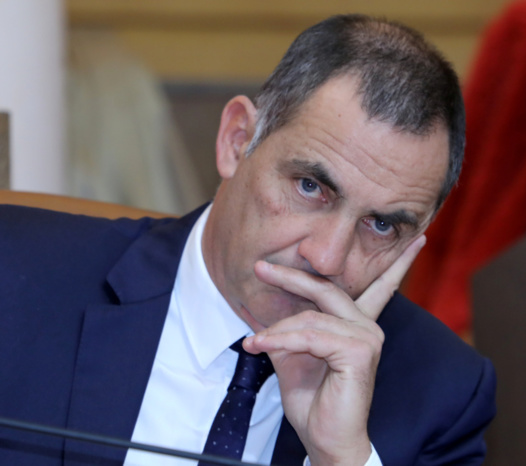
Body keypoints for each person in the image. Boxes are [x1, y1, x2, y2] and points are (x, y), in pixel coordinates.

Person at [0, 14, 496, 466]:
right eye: (310, 187)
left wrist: (339, 457)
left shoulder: (441, 396)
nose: (327, 258)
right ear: (237, 142)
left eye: (381, 226)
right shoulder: (17, 277)